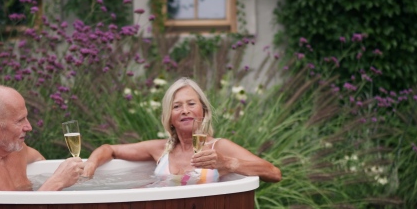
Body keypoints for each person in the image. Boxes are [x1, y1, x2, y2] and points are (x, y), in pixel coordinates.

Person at [83, 77, 281, 183]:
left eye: (191, 104)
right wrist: (90, 165)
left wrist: (228, 163)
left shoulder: (218, 147)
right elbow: (110, 149)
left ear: (203, 111)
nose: (185, 111)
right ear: (169, 117)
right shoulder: (161, 149)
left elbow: (273, 173)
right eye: (176, 106)